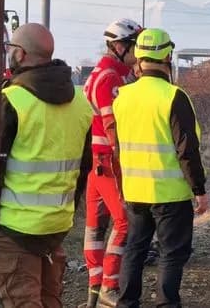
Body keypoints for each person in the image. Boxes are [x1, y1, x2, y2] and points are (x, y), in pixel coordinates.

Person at [0, 23, 94, 307]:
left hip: (14, 228)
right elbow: (83, 167)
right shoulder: (80, 103)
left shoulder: (12, 100)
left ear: (20, 53)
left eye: (10, 48)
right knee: (49, 300)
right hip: (57, 224)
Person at [114, 28, 208, 308]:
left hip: (134, 191)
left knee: (134, 250)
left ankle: (126, 303)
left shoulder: (123, 96)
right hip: (170, 194)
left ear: (138, 56)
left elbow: (118, 145)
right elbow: (186, 149)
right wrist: (199, 189)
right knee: (171, 254)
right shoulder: (174, 96)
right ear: (168, 56)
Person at [81, 18, 143, 307]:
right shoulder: (110, 78)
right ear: (119, 46)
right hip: (108, 161)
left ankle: (94, 291)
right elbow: (112, 126)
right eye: (134, 46)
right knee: (124, 222)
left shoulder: (102, 73)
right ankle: (109, 286)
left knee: (95, 227)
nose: (138, 52)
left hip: (96, 162)